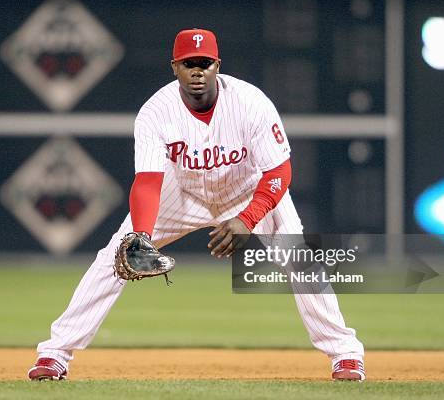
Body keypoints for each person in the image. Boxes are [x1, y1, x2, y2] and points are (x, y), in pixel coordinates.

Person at [28, 28, 365, 382]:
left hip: (249, 191)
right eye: (190, 64)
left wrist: (248, 219)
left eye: (204, 63)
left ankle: (345, 354)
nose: (197, 71)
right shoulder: (156, 112)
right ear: (175, 67)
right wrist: (141, 236)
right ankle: (54, 355)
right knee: (116, 255)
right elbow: (148, 181)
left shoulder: (251, 103)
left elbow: (279, 169)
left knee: (298, 255)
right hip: (183, 192)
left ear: (217, 65)